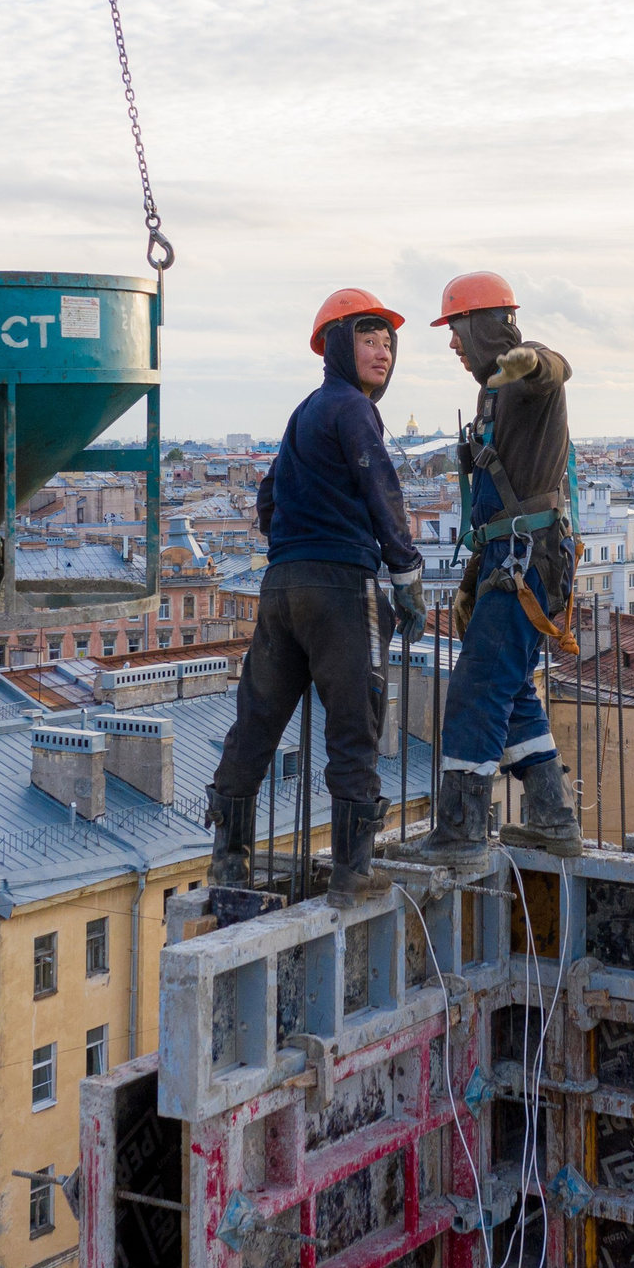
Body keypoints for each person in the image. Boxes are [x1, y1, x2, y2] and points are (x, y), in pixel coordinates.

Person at [205, 290, 428, 906]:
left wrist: (296, 540)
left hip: (281, 587)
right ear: (337, 346)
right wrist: (406, 577)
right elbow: (382, 489)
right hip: (341, 589)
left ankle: (229, 860)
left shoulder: (304, 411)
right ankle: (352, 871)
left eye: (388, 343)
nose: (382, 352)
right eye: (368, 339)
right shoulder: (354, 408)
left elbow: (268, 498)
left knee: (256, 722)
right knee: (356, 724)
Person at [422, 270, 582, 864]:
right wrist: (472, 580)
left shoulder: (527, 379)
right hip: (509, 558)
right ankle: (552, 817)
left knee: (477, 690)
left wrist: (528, 362)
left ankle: (461, 834)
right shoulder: (492, 394)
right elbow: (493, 508)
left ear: (483, 325)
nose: (452, 343)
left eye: (457, 329)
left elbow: (555, 368)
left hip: (525, 561)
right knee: (511, 689)